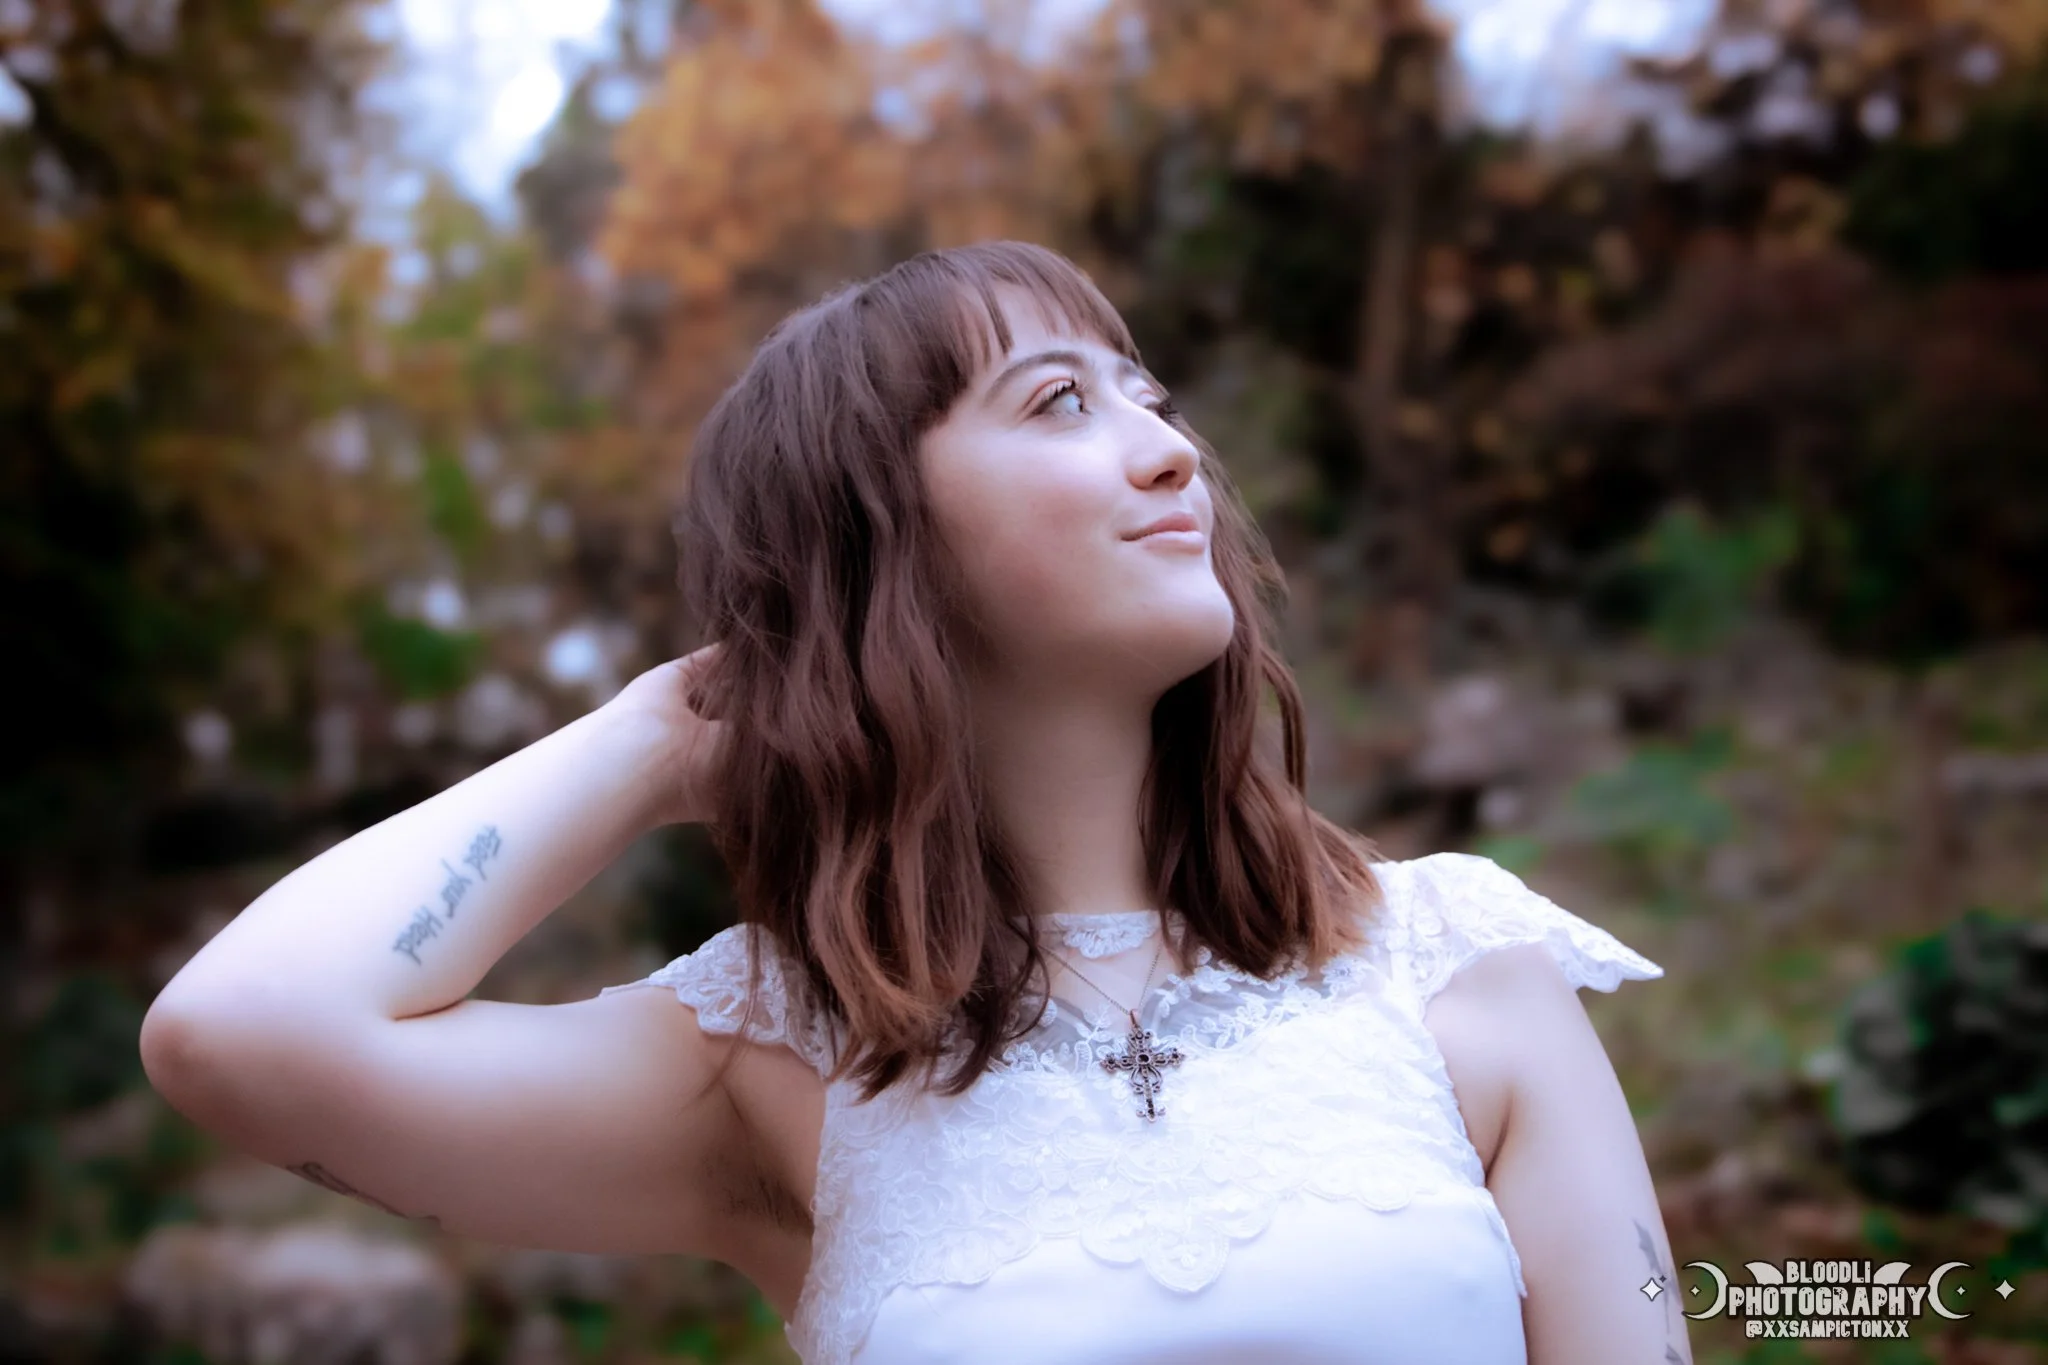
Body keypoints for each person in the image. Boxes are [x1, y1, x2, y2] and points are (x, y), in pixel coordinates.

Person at [140, 241, 1688, 1364]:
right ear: (883, 543)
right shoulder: (771, 1061)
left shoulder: (1457, 972)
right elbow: (242, 1037)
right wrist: (658, 735)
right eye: (1061, 403)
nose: (1171, 455)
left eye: (1154, 402)